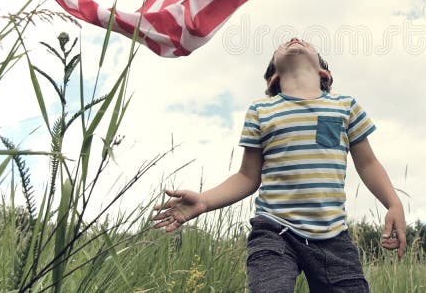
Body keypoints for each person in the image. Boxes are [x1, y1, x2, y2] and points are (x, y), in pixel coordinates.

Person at [151, 38, 406, 292]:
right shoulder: (261, 111)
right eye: (283, 45)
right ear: (273, 78)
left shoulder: (345, 106)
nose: (294, 40)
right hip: (274, 231)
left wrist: (393, 203)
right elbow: (247, 176)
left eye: (306, 43)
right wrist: (204, 201)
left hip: (333, 235)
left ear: (323, 73)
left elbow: (368, 162)